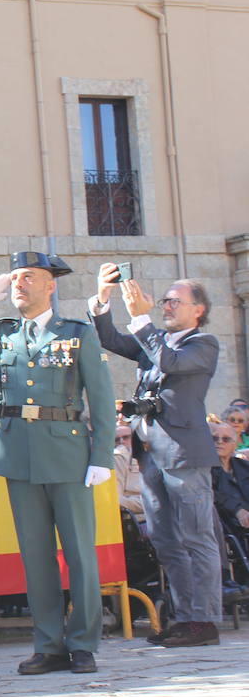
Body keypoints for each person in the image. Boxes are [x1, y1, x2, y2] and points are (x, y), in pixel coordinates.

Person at [0, 251, 115, 675]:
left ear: (50, 285)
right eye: (15, 278)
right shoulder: (3, 335)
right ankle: (49, 644)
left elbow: (101, 396)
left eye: (29, 277)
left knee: (79, 556)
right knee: (36, 558)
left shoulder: (76, 334)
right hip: (19, 457)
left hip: (69, 455)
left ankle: (84, 643)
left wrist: (102, 455)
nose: (20, 284)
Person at [89, 266, 221, 648]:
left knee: (197, 537)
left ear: (198, 309)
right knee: (166, 539)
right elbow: (110, 338)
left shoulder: (203, 343)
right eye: (165, 300)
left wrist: (140, 317)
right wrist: (102, 297)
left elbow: (170, 363)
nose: (166, 305)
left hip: (184, 454)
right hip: (150, 455)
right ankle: (185, 617)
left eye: (175, 301)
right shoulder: (155, 339)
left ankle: (206, 619)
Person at [114, 422, 145, 522]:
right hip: (132, 520)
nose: (121, 442)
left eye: (126, 437)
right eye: (116, 439)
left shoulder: (150, 455)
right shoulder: (118, 459)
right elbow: (116, 501)